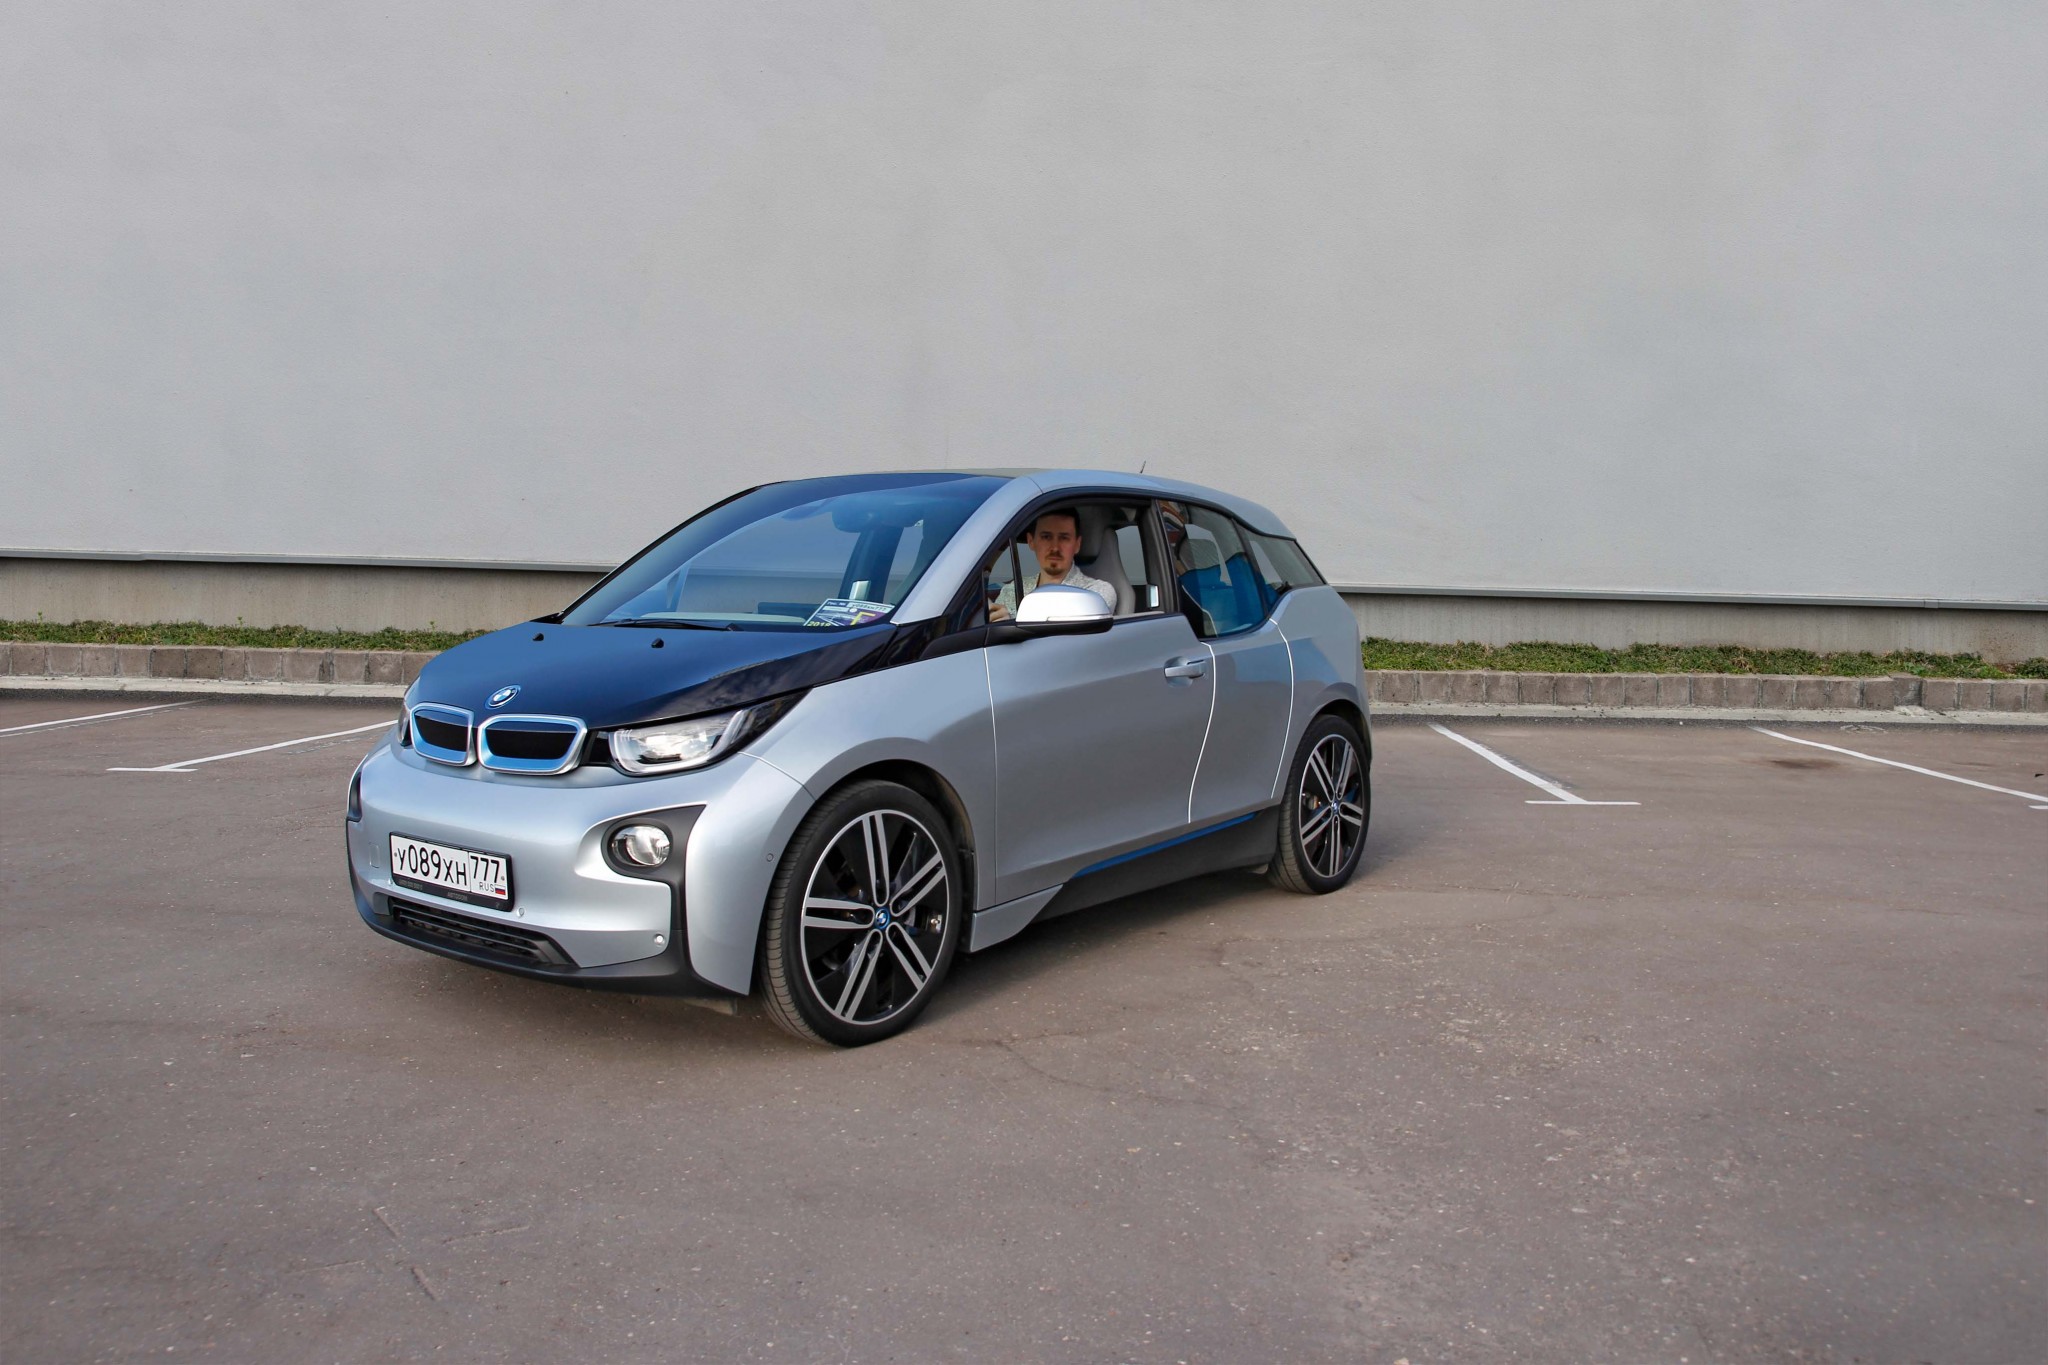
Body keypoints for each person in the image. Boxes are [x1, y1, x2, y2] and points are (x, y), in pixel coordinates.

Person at [988, 508, 1117, 620]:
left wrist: (1011, 623)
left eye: (1064, 538)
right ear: (1031, 541)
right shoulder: (1011, 591)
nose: (1055, 548)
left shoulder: (1097, 593)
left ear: (1077, 544)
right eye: (1046, 537)